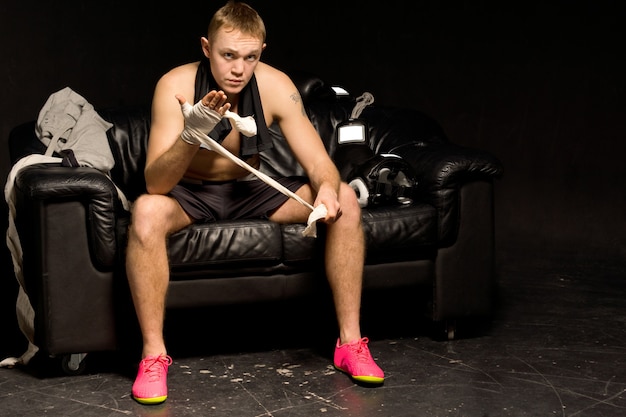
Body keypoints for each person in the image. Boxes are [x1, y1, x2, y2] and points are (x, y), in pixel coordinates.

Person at [126, 0, 384, 405]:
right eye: (228, 55)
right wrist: (191, 136)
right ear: (207, 48)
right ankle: (153, 356)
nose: (237, 69)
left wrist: (330, 189)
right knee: (144, 211)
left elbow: (319, 162)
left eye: (249, 57)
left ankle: (349, 344)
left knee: (348, 200)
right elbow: (155, 184)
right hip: (189, 194)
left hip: (251, 189)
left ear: (261, 51)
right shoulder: (173, 86)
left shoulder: (276, 86)